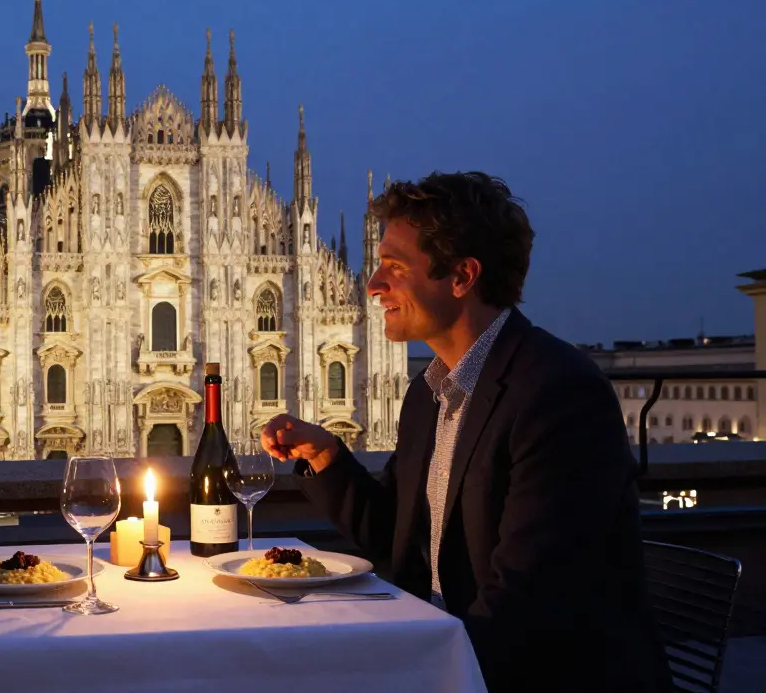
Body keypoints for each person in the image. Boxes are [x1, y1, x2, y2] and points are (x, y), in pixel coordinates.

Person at [262, 172, 671, 692]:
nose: (372, 285)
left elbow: (529, 603)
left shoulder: (557, 393)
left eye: (394, 267)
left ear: (461, 277)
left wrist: (398, 671)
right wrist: (324, 455)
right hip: (449, 653)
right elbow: (394, 535)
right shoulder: (429, 393)